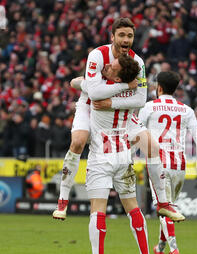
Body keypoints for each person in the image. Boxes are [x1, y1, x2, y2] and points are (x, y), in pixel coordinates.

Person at [52, 17, 184, 223]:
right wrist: (124, 86)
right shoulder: (97, 55)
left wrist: (101, 96)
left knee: (153, 147)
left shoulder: (138, 62)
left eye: (130, 36)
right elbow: (95, 94)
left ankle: (163, 203)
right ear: (112, 37)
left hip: (122, 112)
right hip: (90, 107)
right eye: (121, 35)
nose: (126, 39)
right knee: (78, 141)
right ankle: (62, 201)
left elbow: (140, 99)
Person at [74, 54, 152, 254]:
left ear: (117, 78)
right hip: (124, 155)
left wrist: (80, 80)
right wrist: (129, 84)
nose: (106, 65)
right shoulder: (132, 95)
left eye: (111, 67)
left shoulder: (99, 90)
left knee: (97, 209)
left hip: (101, 156)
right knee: (133, 207)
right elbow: (139, 99)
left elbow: (77, 83)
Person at [138, 71, 197, 254]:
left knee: (163, 207)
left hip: (158, 163)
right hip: (180, 165)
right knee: (169, 206)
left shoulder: (149, 107)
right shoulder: (186, 110)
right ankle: (161, 247)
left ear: (159, 87)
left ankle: (174, 249)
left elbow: (135, 130)